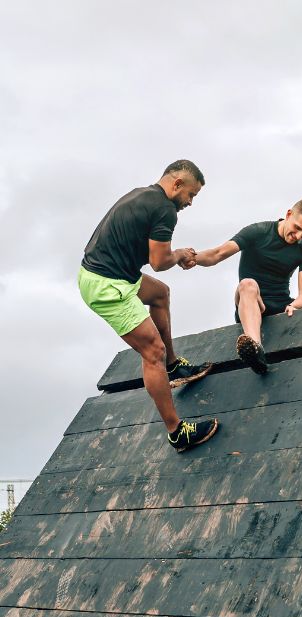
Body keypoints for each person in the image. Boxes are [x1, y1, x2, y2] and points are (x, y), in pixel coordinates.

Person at [78, 160, 218, 452]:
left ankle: (172, 366)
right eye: (191, 195)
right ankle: (176, 432)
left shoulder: (141, 194)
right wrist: (179, 254)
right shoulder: (165, 210)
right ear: (177, 184)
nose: (190, 203)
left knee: (160, 294)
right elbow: (159, 262)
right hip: (106, 285)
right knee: (151, 350)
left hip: (111, 274)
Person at [191, 199, 302, 374]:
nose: (299, 236)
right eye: (297, 228)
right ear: (288, 215)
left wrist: (295, 305)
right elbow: (217, 254)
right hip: (253, 303)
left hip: (283, 305)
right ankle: (256, 349)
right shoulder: (258, 232)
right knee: (247, 284)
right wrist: (193, 258)